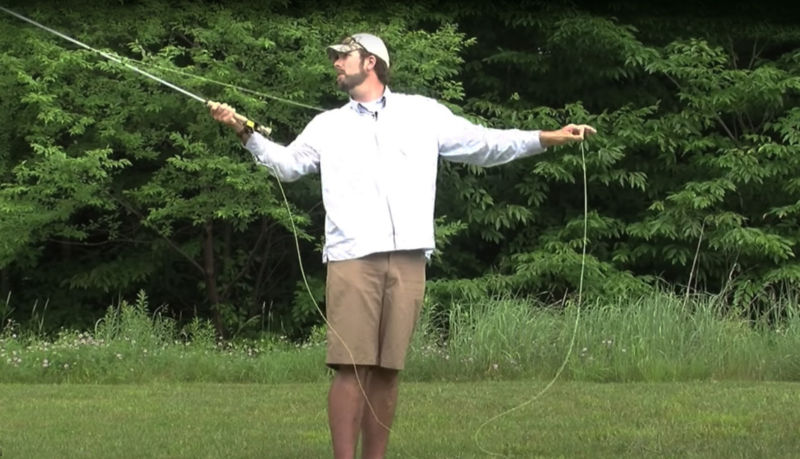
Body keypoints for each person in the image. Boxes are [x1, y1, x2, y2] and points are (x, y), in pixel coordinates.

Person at [210, 32, 595, 459]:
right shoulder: (327, 125)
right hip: (352, 257)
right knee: (351, 367)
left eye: (343, 56)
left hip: (410, 258)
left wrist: (546, 137)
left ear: (371, 62)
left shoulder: (422, 113)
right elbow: (287, 166)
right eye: (335, 58)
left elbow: (485, 144)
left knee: (388, 371)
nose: (335, 63)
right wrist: (243, 130)